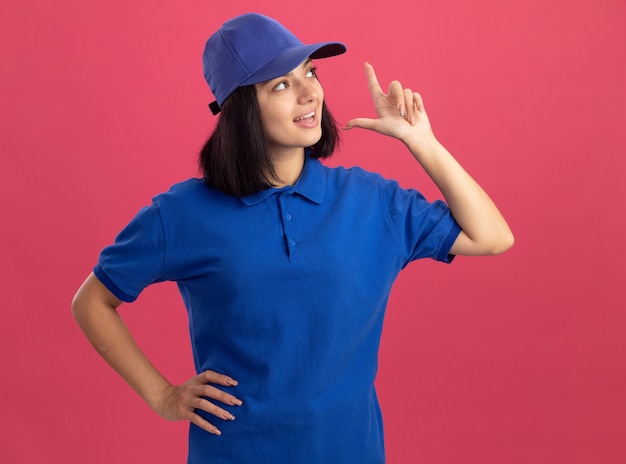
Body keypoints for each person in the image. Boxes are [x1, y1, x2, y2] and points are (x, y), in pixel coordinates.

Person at [72, 12, 513, 464]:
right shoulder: (183, 214)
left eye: (310, 73)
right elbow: (91, 301)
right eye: (280, 85)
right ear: (241, 109)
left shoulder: (371, 201)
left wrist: (422, 143)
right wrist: (163, 396)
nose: (309, 93)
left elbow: (492, 237)